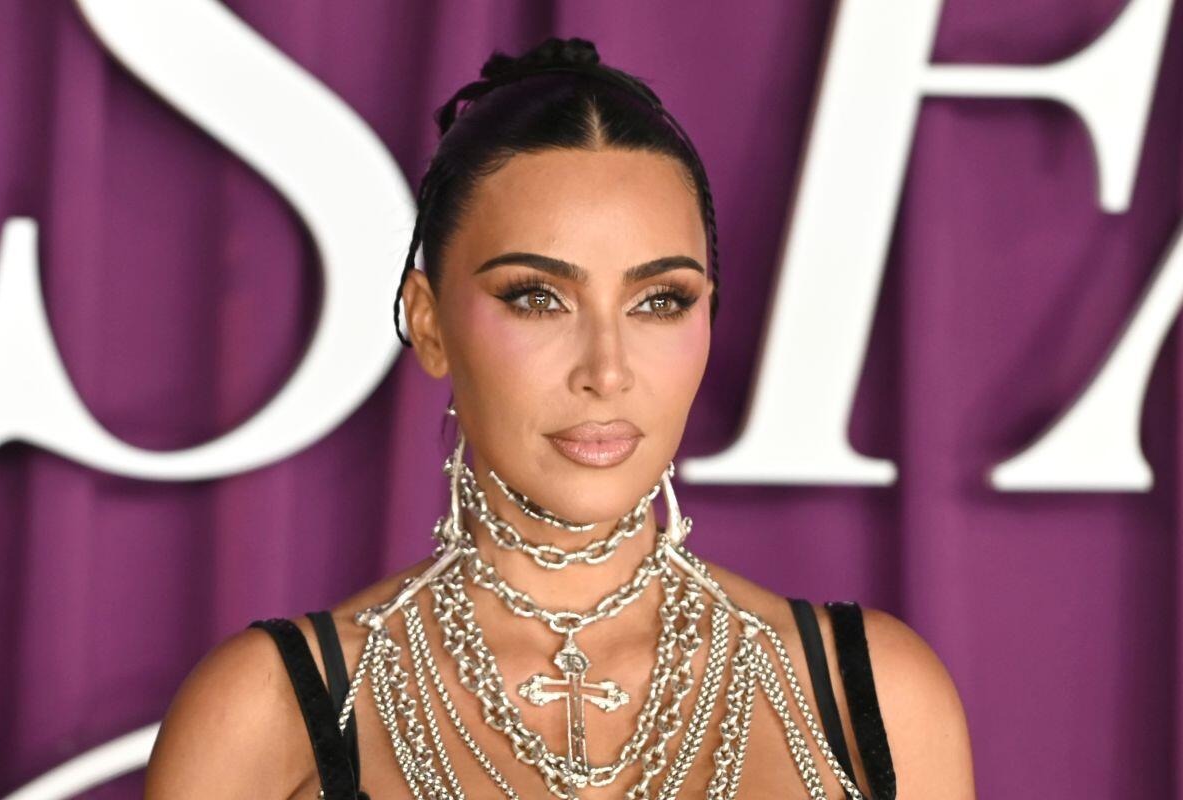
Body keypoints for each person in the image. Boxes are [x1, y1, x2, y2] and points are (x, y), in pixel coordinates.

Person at [144, 36, 975, 799]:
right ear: (429, 323)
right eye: (537, 298)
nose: (606, 371)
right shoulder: (268, 713)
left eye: (660, 300)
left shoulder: (876, 697)